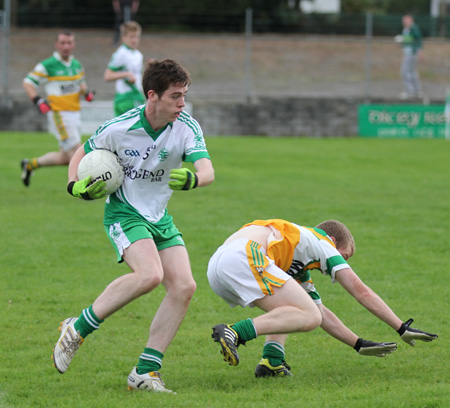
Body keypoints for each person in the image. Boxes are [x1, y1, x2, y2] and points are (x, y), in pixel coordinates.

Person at [52, 59, 215, 393]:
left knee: (184, 286)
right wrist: (74, 186)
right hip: (124, 213)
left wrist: (194, 180)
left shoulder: (187, 126)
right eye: (175, 96)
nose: (182, 103)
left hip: (159, 216)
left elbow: (208, 170)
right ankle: (78, 328)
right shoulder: (119, 127)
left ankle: (145, 372)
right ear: (153, 96)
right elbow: (79, 154)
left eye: (184, 95)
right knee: (150, 275)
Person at [208, 219, 438, 377]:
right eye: (343, 257)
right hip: (244, 255)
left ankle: (271, 362)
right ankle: (236, 332)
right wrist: (400, 328)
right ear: (333, 241)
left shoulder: (297, 259)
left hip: (219, 266)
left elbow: (321, 312)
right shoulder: (321, 241)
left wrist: (358, 344)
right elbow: (361, 290)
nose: (341, 263)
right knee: (307, 314)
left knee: (299, 309)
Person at [21, 30, 95, 187]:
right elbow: (27, 82)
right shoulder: (48, 65)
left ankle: (29, 165)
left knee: (65, 158)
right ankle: (80, 185)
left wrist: (87, 93)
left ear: (73, 44)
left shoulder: (77, 65)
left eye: (69, 43)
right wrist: (37, 99)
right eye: (63, 43)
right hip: (60, 114)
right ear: (56, 44)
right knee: (78, 151)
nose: (66, 46)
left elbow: (81, 86)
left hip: (75, 114)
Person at [104, 20, 146, 117]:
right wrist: (126, 74)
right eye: (131, 37)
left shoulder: (138, 55)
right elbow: (107, 76)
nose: (134, 40)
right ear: (123, 38)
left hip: (136, 95)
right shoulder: (121, 53)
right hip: (126, 98)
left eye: (137, 36)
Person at [396, 14, 423, 99]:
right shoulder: (405, 29)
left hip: (411, 53)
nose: (404, 22)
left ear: (411, 20)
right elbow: (407, 41)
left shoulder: (413, 28)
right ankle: (417, 90)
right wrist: (400, 43)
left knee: (405, 71)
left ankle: (411, 90)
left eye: (406, 20)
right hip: (407, 53)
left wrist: (420, 52)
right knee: (411, 72)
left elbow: (417, 39)